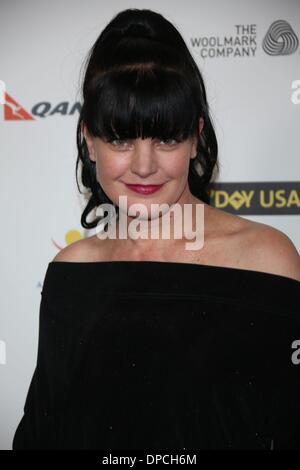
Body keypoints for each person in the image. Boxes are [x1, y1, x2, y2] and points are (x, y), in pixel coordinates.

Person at [13, 8, 300, 450]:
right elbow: (44, 435)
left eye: (166, 138)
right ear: (89, 139)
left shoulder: (267, 259)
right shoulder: (71, 271)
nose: (144, 166)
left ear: (195, 137)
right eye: (121, 138)